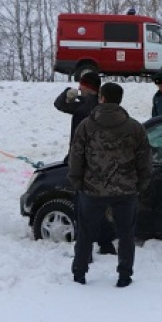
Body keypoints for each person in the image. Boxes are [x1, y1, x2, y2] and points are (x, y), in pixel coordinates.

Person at [69, 83, 152, 287]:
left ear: (102, 98)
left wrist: (76, 181)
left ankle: (79, 272)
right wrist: (141, 183)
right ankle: (124, 275)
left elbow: (76, 155)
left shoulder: (86, 126)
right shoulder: (134, 127)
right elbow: (145, 158)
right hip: (126, 190)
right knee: (126, 234)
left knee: (86, 232)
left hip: (92, 189)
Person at [53, 71, 116, 255]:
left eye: (82, 85)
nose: (79, 88)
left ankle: (84, 249)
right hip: (100, 164)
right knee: (101, 205)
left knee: (83, 207)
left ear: (89, 87)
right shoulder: (102, 105)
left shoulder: (85, 105)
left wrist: (67, 94)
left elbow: (59, 105)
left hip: (83, 164)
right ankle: (105, 243)